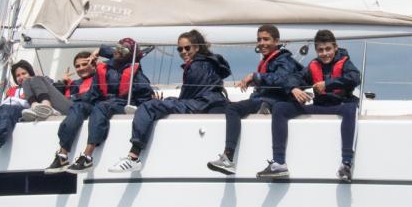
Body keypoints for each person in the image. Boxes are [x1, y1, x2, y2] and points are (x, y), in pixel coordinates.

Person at [107, 29, 231, 172]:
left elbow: (189, 97)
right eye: (180, 49)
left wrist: (160, 103)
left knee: (148, 106)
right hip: (205, 102)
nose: (183, 52)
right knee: (161, 102)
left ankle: (133, 157)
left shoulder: (198, 66)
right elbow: (190, 95)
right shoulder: (207, 63)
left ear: (197, 47)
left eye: (187, 48)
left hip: (201, 104)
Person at [258, 29, 361, 181]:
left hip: (339, 105)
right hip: (319, 106)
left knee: (351, 108)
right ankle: (279, 163)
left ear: (335, 48)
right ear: (316, 50)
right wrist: (293, 88)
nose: (324, 53)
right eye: (320, 50)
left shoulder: (345, 63)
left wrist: (328, 84)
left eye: (328, 49)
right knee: (280, 107)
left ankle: (346, 163)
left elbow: (355, 78)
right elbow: (293, 78)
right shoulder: (313, 65)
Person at [207, 24, 301, 175]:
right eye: (259, 39)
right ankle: (264, 107)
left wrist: (255, 76)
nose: (262, 43)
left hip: (273, 100)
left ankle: (228, 158)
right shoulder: (271, 60)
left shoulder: (284, 60)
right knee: (224, 107)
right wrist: (257, 81)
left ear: (276, 41)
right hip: (266, 98)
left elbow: (282, 79)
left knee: (232, 108)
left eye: (266, 39)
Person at [50, 38, 155, 173]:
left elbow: (145, 94)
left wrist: (146, 103)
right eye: (117, 47)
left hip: (121, 103)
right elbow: (93, 93)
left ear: (130, 55)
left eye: (123, 50)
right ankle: (62, 155)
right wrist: (74, 99)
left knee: (101, 107)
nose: (118, 51)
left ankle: (87, 157)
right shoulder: (105, 68)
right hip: (102, 102)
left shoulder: (136, 74)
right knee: (78, 107)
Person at [42, 51, 120, 173]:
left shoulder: (101, 75)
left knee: (84, 108)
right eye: (77, 66)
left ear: (93, 65)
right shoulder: (74, 84)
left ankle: (82, 156)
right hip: (78, 108)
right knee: (76, 107)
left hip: (96, 106)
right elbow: (62, 98)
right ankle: (62, 156)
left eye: (84, 64)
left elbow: (117, 62)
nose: (81, 68)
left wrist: (101, 52)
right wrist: (62, 83)